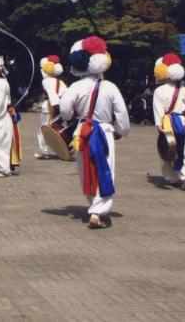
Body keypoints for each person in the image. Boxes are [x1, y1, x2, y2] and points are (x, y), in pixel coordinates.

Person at [59, 37, 129, 229]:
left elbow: (65, 112)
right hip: (105, 131)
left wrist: (72, 117)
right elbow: (122, 115)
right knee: (105, 169)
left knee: (86, 169)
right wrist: (121, 131)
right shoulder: (110, 87)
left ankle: (94, 205)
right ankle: (98, 211)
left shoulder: (75, 87)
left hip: (82, 132)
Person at [152, 53, 185, 190]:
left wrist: (159, 125)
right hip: (183, 121)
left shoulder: (159, 91)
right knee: (183, 149)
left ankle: (172, 177)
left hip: (167, 121)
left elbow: (158, 110)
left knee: (166, 149)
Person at [35, 56, 67, 159]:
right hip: (60, 108)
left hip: (49, 107)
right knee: (58, 128)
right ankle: (64, 148)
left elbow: (52, 96)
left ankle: (44, 152)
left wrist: (54, 107)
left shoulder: (46, 81)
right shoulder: (60, 82)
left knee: (43, 130)